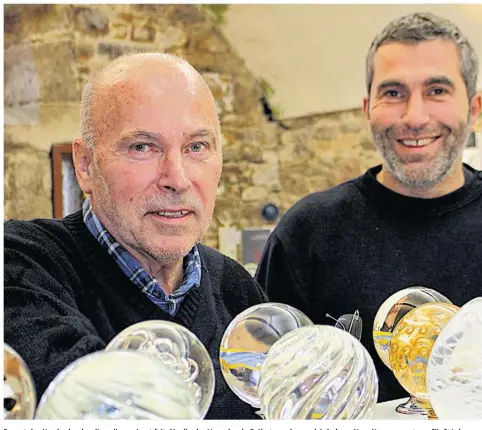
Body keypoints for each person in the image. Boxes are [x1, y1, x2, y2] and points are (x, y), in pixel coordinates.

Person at [4, 53, 267, 419]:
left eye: (197, 147)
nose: (177, 178)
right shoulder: (21, 265)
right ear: (85, 165)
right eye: (142, 147)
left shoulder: (235, 289)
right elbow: (86, 404)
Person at [256, 12, 482, 403]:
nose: (414, 117)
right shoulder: (307, 234)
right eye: (393, 93)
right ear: (367, 109)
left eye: (437, 91)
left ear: (475, 109)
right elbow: (265, 391)